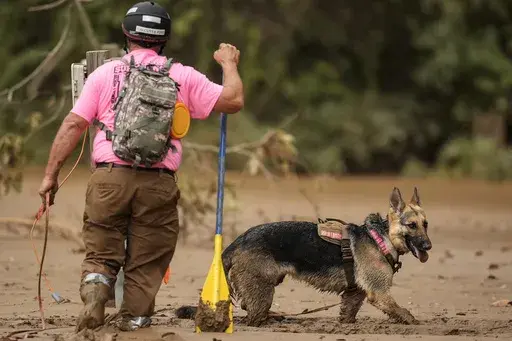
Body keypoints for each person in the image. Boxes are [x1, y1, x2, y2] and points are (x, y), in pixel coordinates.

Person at [37, 1, 243, 332]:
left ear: (126, 33)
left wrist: (50, 176)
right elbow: (233, 101)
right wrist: (229, 63)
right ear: (165, 38)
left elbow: (73, 125)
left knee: (101, 249)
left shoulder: (106, 73)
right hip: (158, 184)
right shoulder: (182, 75)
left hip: (108, 179)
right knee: (147, 261)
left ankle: (95, 294)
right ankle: (133, 319)